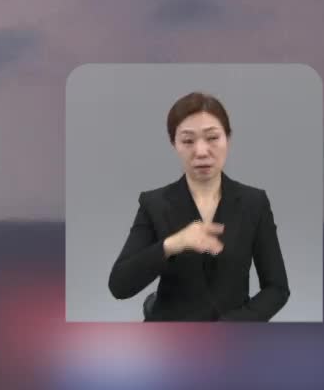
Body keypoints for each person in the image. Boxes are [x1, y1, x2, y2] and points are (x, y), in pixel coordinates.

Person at [107, 91, 290, 320]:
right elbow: (119, 285)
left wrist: (231, 328)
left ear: (228, 139)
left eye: (212, 138)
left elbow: (277, 289)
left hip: (231, 340)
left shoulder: (254, 203)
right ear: (174, 144)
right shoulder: (154, 204)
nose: (201, 151)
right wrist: (173, 244)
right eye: (188, 141)